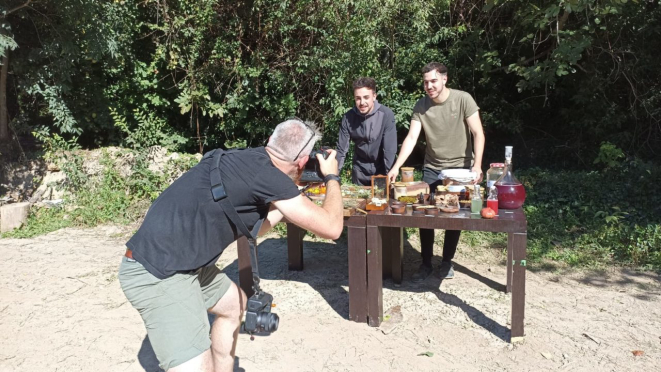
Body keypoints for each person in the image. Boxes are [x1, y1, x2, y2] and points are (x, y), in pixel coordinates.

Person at [119, 119, 344, 372]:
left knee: (234, 304)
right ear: (303, 162)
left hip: (183, 263)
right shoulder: (270, 178)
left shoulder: (246, 160)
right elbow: (333, 228)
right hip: (157, 272)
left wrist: (288, 197)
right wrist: (332, 176)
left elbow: (254, 228)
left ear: (270, 140)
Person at [387, 62, 485, 282]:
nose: (429, 86)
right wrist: (395, 167)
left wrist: (477, 165)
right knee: (424, 213)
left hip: (459, 168)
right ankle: (425, 262)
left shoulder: (463, 99)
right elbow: (411, 138)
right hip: (432, 167)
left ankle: (447, 261)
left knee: (454, 215)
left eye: (433, 81)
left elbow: (478, 133)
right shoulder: (421, 106)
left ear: (444, 79)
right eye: (425, 82)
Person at [336, 77, 397, 186]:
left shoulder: (386, 114)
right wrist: (333, 176)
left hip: (381, 171)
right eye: (358, 98)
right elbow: (341, 150)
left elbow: (389, 150)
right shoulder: (348, 117)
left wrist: (389, 174)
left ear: (374, 96)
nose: (362, 102)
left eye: (366, 97)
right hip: (359, 171)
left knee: (380, 202)